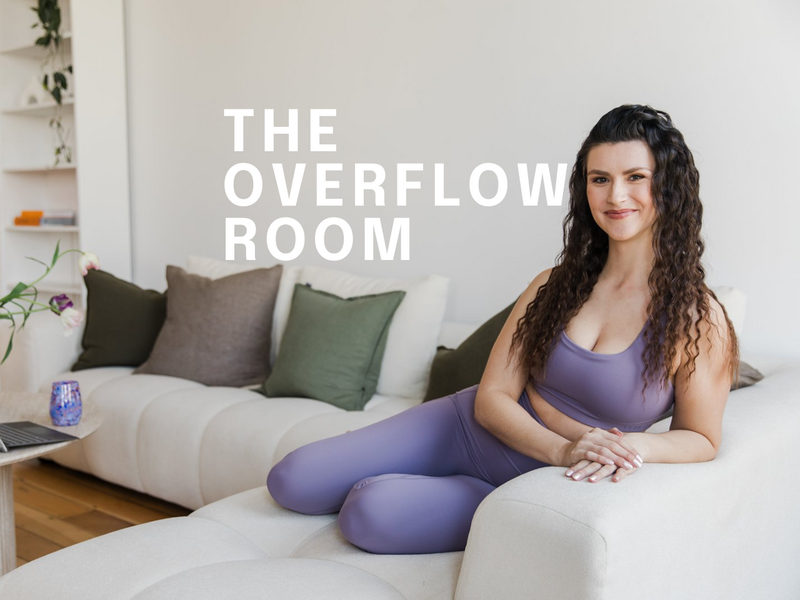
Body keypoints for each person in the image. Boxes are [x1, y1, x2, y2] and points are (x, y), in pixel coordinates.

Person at [266, 104, 740, 555]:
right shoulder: (554, 284)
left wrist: (631, 446)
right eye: (601, 179)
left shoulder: (698, 319)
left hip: (531, 485)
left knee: (366, 514)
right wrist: (564, 448)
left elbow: (701, 438)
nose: (616, 196)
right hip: (464, 429)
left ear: (670, 187)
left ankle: (436, 492)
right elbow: (493, 397)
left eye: (635, 177)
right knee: (291, 479)